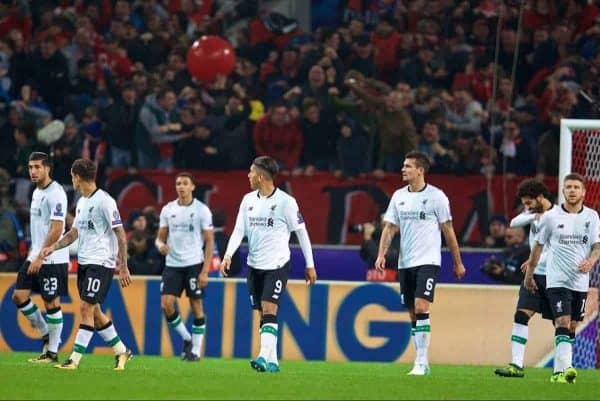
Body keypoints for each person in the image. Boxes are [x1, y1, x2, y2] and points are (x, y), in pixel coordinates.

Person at [219, 156, 317, 373]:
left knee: (269, 307)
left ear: (261, 176)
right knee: (263, 313)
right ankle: (273, 361)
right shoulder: (248, 200)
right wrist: (227, 255)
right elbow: (238, 230)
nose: (248, 175)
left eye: (251, 172)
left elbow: (302, 233)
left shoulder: (286, 203)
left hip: (277, 265)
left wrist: (310, 265)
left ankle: (262, 356)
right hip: (254, 265)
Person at [375, 150, 466, 375]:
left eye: (407, 166)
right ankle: (422, 361)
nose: (403, 169)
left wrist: (458, 262)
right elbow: (389, 228)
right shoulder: (398, 196)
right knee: (412, 313)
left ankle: (420, 362)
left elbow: (449, 231)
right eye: (403, 165)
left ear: (420, 170)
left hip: (429, 260)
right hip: (406, 263)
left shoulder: (437, 197)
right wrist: (381, 254)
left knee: (421, 306)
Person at [39, 158, 133, 370]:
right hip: (84, 262)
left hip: (100, 263)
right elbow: (74, 233)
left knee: (85, 307)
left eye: (72, 176)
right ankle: (122, 351)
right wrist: (53, 247)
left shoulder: (105, 201)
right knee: (95, 312)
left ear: (78, 177)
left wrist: (123, 266)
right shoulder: (82, 203)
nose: (72, 180)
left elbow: (121, 234)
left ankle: (74, 359)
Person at [525, 173, 600, 384]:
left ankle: (560, 369)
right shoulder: (551, 216)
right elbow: (538, 247)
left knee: (573, 325)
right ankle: (564, 370)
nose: (572, 190)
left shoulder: (591, 217)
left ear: (584, 192)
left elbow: (597, 246)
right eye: (568, 187)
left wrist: (592, 261)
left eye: (576, 187)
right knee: (563, 321)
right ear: (563, 191)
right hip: (556, 280)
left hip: (580, 282)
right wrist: (529, 275)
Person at [11, 152, 69, 363]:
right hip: (35, 255)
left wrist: (41, 257)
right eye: (30, 167)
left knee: (51, 302)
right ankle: (46, 333)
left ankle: (52, 353)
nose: (33, 171)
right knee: (19, 296)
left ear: (47, 169)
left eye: (37, 167)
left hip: (52, 258)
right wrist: (33, 255)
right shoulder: (37, 192)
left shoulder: (56, 193)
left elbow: (57, 229)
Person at [494, 178, 555, 378]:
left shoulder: (558, 217)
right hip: (535, 275)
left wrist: (533, 261)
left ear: (540, 197)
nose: (526, 207)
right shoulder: (534, 214)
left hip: (556, 276)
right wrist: (533, 213)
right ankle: (516, 365)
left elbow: (556, 248)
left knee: (563, 324)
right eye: (524, 203)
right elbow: (513, 222)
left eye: (529, 203)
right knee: (521, 315)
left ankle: (564, 368)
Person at [155, 172, 214, 361]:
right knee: (167, 304)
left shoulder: (202, 210)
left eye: (185, 183)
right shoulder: (168, 209)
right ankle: (187, 338)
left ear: (192, 187)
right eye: (178, 183)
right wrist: (160, 246)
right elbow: (159, 237)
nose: (180, 186)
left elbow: (210, 242)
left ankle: (195, 351)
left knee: (196, 305)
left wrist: (205, 271)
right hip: (172, 264)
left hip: (193, 264)